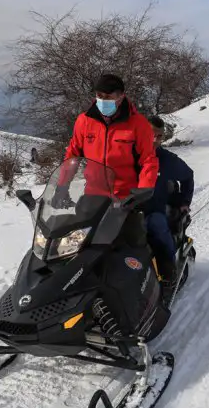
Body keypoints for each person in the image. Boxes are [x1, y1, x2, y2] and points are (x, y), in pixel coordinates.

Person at [59, 73, 159, 246]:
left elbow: (148, 160)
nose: (102, 100)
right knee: (76, 245)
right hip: (93, 195)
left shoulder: (137, 124)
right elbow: (73, 154)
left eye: (107, 97)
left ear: (120, 97)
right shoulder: (84, 121)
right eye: (99, 96)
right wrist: (62, 185)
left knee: (131, 246)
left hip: (126, 198)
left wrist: (143, 191)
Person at [143, 115, 194, 284]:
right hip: (124, 212)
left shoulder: (166, 159)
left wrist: (185, 202)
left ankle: (169, 270)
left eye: (159, 136)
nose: (155, 140)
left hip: (153, 211)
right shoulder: (126, 155)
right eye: (151, 134)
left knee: (156, 223)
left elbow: (188, 176)